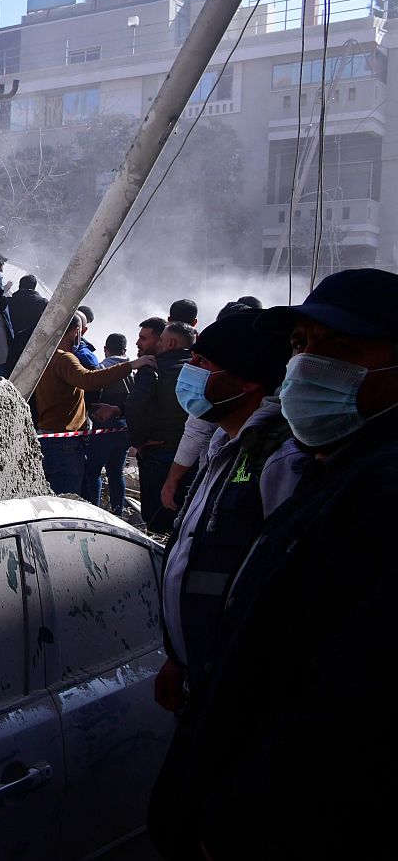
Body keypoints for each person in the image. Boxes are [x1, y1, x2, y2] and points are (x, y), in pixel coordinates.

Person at [148, 269, 398, 858]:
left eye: (342, 351)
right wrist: (183, 658)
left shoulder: (361, 487)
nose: (310, 366)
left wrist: (242, 821)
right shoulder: (325, 463)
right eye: (302, 346)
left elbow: (342, 704)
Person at [150, 309, 300, 720]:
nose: (190, 371)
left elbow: (282, 591)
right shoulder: (223, 440)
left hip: (240, 687)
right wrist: (178, 656)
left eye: (204, 364)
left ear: (248, 381)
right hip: (198, 668)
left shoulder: (279, 460)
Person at [32, 313, 145, 495]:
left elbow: (62, 394)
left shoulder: (47, 356)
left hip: (52, 436)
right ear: (76, 332)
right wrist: (131, 366)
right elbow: (88, 380)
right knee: (67, 498)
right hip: (64, 442)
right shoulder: (64, 359)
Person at [128, 320, 196, 534]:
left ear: (170, 343)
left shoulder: (153, 369)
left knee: (157, 520)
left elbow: (135, 405)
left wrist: (139, 442)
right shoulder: (200, 371)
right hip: (192, 456)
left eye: (162, 341)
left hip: (159, 454)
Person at [81, 332, 133, 515]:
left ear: (105, 349)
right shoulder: (133, 370)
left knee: (93, 471)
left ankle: (94, 512)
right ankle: (117, 512)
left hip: (103, 429)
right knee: (116, 472)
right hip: (125, 428)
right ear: (125, 350)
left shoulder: (101, 369)